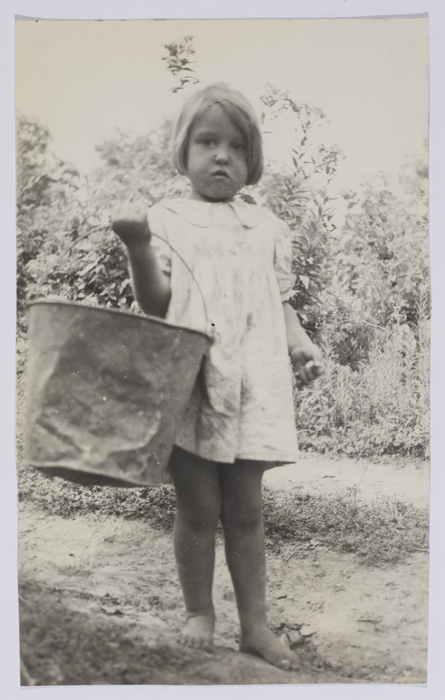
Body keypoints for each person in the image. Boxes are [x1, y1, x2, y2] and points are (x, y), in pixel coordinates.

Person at [111, 83, 324, 671]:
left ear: (252, 159)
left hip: (253, 382)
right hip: (194, 380)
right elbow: (157, 305)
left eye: (236, 145)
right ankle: (198, 611)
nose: (221, 155)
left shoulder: (268, 229)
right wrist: (135, 245)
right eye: (207, 142)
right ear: (184, 151)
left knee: (248, 510)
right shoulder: (164, 221)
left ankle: (255, 625)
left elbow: (280, 302)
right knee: (198, 507)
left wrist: (300, 342)